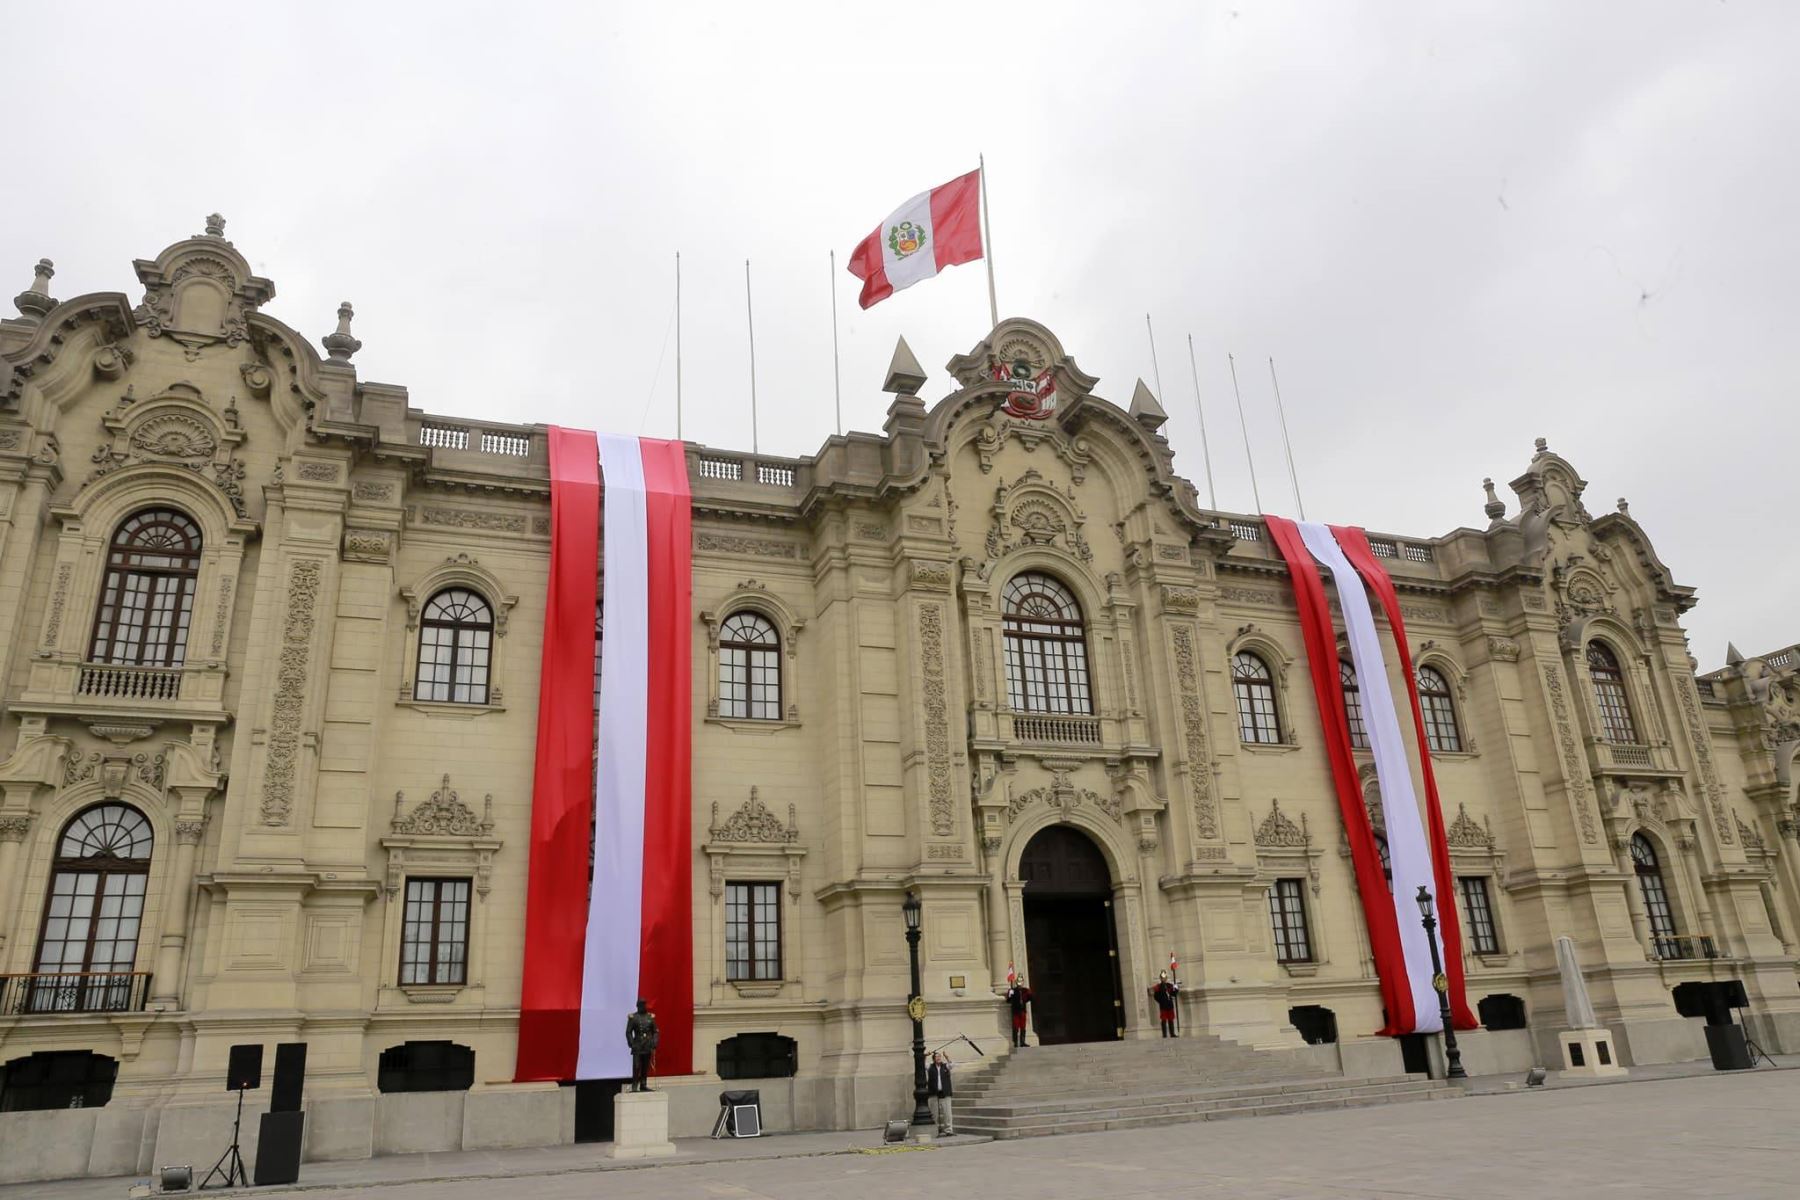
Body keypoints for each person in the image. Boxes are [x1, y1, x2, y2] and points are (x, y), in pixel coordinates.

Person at [625, 999, 659, 1092]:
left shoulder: (650, 1017)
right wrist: (632, 1043)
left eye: (644, 1005)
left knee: (645, 1066)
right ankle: (635, 1085)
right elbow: (628, 1032)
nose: (643, 1007)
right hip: (637, 1045)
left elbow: (655, 1031)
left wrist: (654, 1042)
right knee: (636, 1066)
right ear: (638, 1006)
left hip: (647, 1045)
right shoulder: (633, 1018)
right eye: (641, 1005)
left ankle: (643, 1084)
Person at [926, 1051, 954, 1135]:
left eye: (939, 1056)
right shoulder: (930, 1067)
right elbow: (922, 1065)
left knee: (947, 1113)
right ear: (933, 1059)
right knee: (934, 1113)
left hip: (945, 1093)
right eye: (936, 1057)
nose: (938, 1058)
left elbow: (952, 1065)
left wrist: (947, 1057)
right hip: (934, 1093)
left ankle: (948, 1130)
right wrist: (925, 1056)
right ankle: (935, 1130)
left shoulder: (945, 1066)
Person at [1149, 970, 1180, 1038]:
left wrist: (1176, 988)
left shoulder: (1170, 985)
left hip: (1169, 1004)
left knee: (1171, 1019)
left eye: (1165, 977)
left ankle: (1172, 1033)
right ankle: (1164, 1034)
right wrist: (1161, 1001)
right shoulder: (1158, 987)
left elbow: (1174, 994)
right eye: (1162, 978)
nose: (1164, 979)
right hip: (1163, 1005)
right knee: (1164, 1019)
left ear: (1166, 978)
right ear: (1160, 978)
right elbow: (1156, 996)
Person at [1005, 978, 1033, 1048]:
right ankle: (1015, 1042)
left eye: (1021, 981)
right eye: (1018, 982)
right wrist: (1009, 994)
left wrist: (1029, 993)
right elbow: (1008, 1000)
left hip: (1022, 1011)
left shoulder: (1025, 990)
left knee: (1023, 1027)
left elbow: (1030, 998)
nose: (1020, 983)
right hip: (1016, 1012)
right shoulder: (1013, 990)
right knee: (1016, 1027)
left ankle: (1022, 1042)